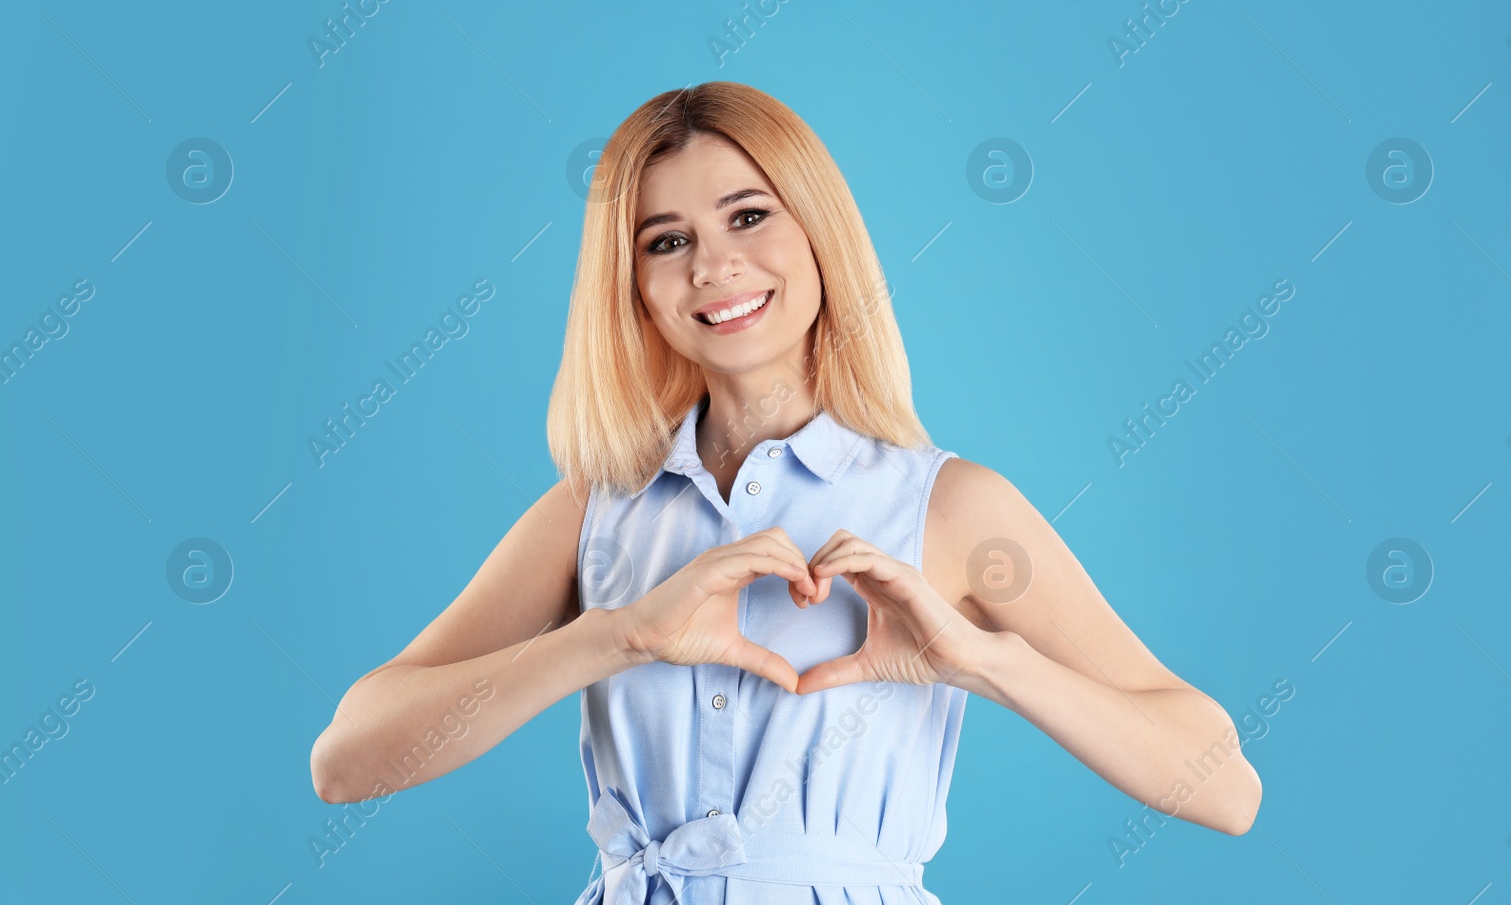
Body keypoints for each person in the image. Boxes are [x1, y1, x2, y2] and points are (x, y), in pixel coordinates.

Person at [308, 82, 1261, 904]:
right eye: (665, 239)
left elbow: (1226, 788)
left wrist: (982, 660)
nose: (713, 265)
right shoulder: (594, 512)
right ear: (633, 286)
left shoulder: (954, 507)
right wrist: (619, 633)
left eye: (749, 215)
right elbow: (346, 758)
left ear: (819, 231)